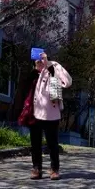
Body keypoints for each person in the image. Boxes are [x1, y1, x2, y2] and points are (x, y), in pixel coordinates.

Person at [29, 52, 72, 180]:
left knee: (52, 143)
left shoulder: (53, 66)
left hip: (51, 112)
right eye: (38, 57)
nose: (40, 59)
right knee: (35, 142)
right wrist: (36, 69)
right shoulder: (34, 71)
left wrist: (47, 64)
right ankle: (37, 168)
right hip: (35, 111)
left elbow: (67, 82)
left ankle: (54, 169)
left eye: (41, 57)